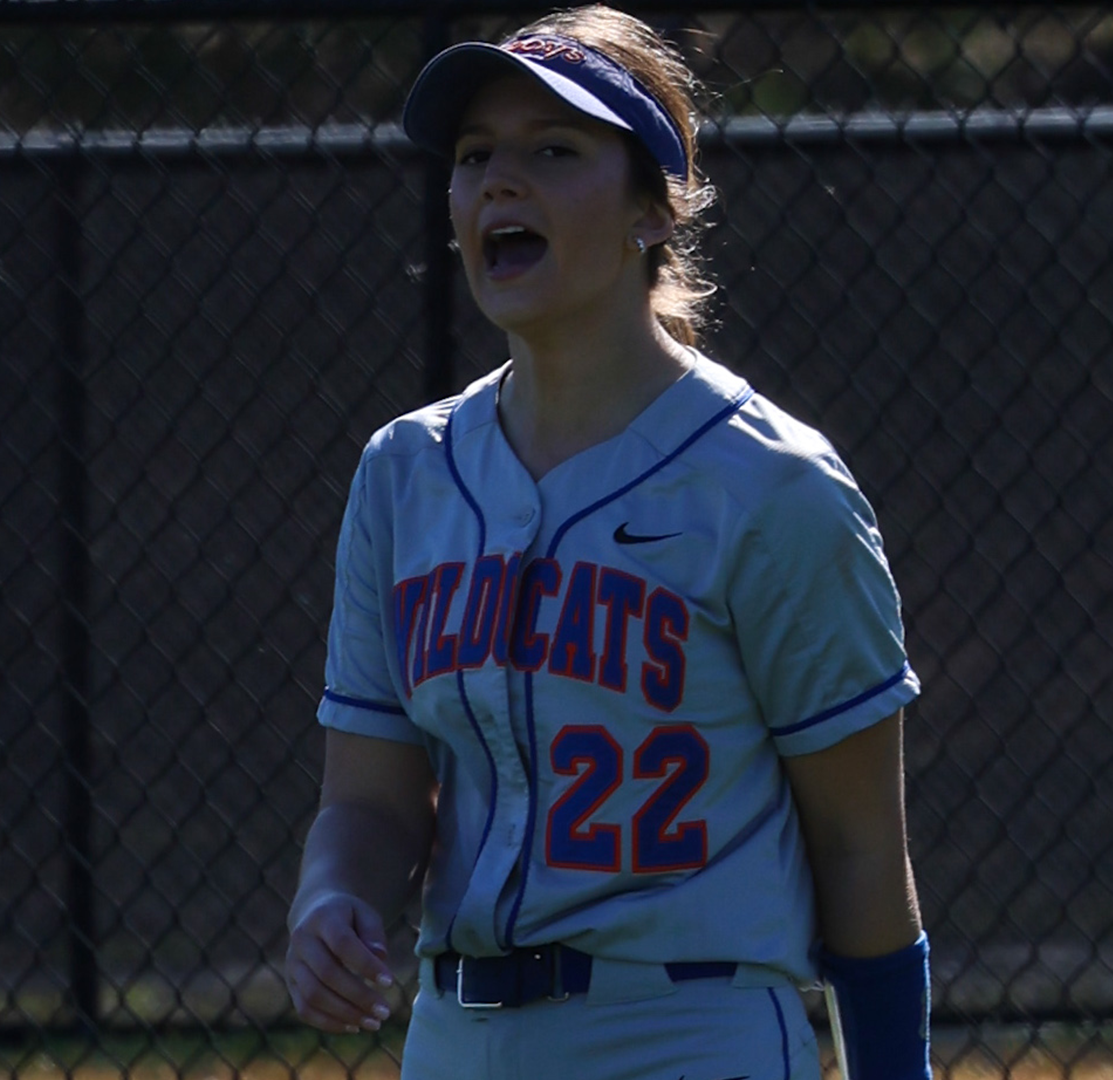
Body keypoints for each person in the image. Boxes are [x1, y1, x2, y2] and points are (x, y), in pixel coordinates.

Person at [284, 7, 930, 1078]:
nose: (499, 182)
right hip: (454, 1041)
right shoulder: (406, 472)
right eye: (475, 154)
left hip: (685, 1033)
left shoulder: (772, 486)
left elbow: (863, 852)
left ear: (651, 208)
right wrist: (332, 897)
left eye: (553, 150)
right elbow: (367, 798)